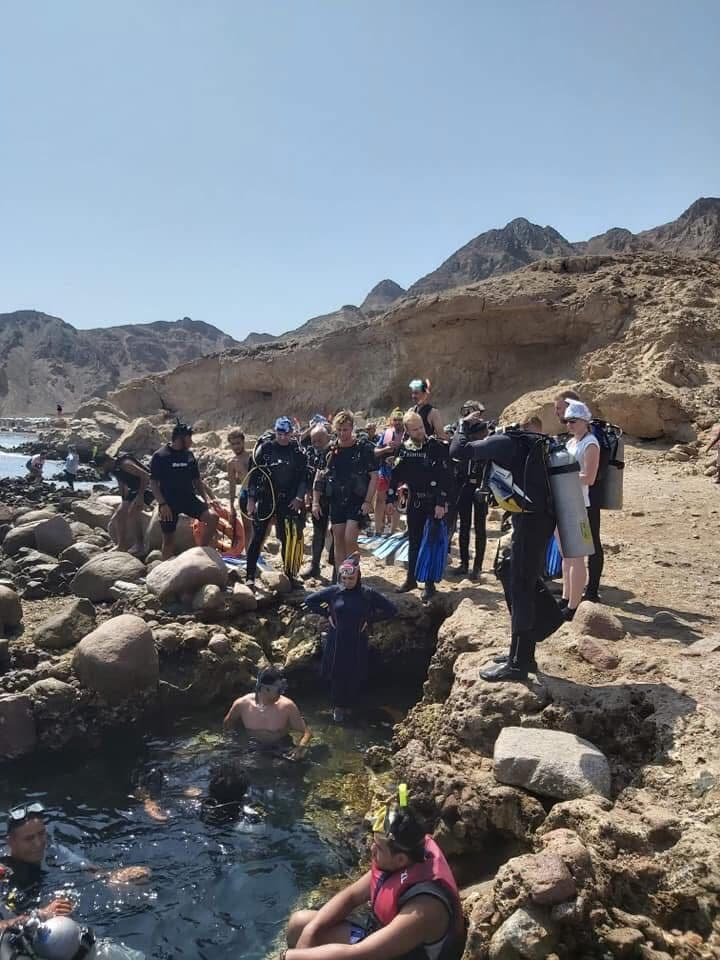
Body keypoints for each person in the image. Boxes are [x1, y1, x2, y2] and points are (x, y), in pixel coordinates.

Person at [284, 791, 464, 960]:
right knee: (300, 925)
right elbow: (351, 897)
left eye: (378, 848)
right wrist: (311, 931)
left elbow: (360, 954)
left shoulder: (424, 907)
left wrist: (289, 957)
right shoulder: (405, 855)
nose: (371, 849)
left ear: (400, 859)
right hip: (377, 939)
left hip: (390, 953)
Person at [451, 412, 555, 681]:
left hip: (531, 522)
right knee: (511, 574)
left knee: (521, 586)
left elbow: (459, 450)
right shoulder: (531, 443)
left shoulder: (506, 442)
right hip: (536, 518)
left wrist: (463, 426)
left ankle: (519, 664)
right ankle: (521, 653)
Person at [1, 802, 150, 928]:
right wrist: (41, 915)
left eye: (41, 834)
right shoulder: (4, 872)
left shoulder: (51, 847)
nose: (38, 843)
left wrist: (112, 876)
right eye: (29, 839)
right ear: (10, 842)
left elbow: (84, 866)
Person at [304, 553, 397, 722]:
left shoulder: (367, 594)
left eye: (351, 579)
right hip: (336, 640)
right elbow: (310, 600)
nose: (347, 582)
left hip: (357, 641)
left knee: (355, 673)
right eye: (344, 579)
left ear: (358, 576)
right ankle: (337, 707)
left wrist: (369, 620)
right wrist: (327, 614)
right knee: (336, 673)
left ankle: (352, 707)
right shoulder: (334, 591)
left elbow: (391, 610)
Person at [390, 412, 454, 601]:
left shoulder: (437, 447)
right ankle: (411, 579)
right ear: (407, 430)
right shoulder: (404, 449)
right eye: (415, 429)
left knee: (431, 542)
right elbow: (396, 474)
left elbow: (446, 477)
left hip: (434, 502)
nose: (419, 431)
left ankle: (429, 584)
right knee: (414, 541)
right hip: (415, 501)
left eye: (421, 427)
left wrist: (441, 502)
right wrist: (390, 498)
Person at [245, 417, 308, 588]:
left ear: (291, 433)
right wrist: (251, 500)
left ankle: (290, 574)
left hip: (288, 501)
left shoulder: (296, 451)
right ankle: (249, 575)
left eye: (286, 434)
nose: (282, 438)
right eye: (279, 434)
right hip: (266, 498)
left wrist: (299, 498)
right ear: (275, 432)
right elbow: (253, 476)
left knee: (288, 538)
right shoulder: (265, 449)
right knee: (258, 536)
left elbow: (304, 478)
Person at [314, 412, 378, 578]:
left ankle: (354, 574)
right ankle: (342, 578)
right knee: (338, 539)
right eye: (340, 430)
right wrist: (315, 502)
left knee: (350, 537)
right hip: (336, 499)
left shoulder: (364, 448)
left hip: (357, 499)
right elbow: (319, 476)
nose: (343, 433)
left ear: (352, 429)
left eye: (346, 430)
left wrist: (368, 501)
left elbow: (374, 476)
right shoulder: (330, 450)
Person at [554, 391, 604, 601]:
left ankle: (574, 603)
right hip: (565, 501)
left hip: (579, 504)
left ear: (584, 421)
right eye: (567, 421)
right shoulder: (571, 442)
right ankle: (566, 598)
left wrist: (564, 477)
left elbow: (589, 477)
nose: (569, 424)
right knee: (566, 556)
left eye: (573, 421)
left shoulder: (590, 443)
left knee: (576, 558)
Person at [149, 421, 218, 561]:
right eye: (189, 438)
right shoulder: (160, 455)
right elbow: (153, 483)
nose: (192, 442)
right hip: (169, 503)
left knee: (213, 517)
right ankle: (164, 570)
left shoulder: (189, 455)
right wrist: (162, 504)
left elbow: (197, 480)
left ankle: (200, 552)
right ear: (180, 438)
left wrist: (206, 500)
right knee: (168, 541)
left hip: (188, 499)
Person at [223, 667, 312, 760]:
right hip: (251, 747)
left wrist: (300, 748)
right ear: (265, 688)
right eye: (279, 689)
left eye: (283, 687)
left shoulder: (287, 706)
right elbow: (227, 724)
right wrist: (232, 742)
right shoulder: (242, 704)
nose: (282, 692)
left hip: (279, 748)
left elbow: (307, 732)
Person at [447, 403, 488, 580]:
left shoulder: (486, 431)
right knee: (464, 525)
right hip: (464, 484)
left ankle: (477, 566)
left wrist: (486, 486)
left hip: (480, 484)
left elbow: (489, 463)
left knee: (480, 527)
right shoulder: (461, 430)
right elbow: (455, 451)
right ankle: (464, 563)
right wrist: (463, 425)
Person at [95, 451, 153, 555]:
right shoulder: (114, 469)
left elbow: (146, 476)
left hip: (148, 488)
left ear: (107, 461)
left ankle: (139, 545)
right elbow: (122, 484)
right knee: (118, 516)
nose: (102, 469)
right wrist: (124, 502)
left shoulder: (125, 464)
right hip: (134, 490)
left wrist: (140, 497)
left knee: (132, 513)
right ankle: (121, 545)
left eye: (102, 466)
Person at [302, 424, 333, 580]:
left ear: (328, 437)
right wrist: (309, 495)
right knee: (318, 532)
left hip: (335, 497)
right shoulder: (312, 454)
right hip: (318, 498)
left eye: (319, 440)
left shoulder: (335, 451)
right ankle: (315, 566)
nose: (316, 444)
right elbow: (309, 475)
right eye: (313, 441)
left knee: (336, 532)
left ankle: (336, 567)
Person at [373, 410, 404, 537]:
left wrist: (399, 446)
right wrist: (386, 449)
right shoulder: (386, 433)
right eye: (395, 420)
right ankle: (378, 529)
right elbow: (375, 451)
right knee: (380, 500)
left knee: (397, 501)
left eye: (399, 420)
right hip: (384, 472)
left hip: (401, 473)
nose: (397, 422)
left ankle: (392, 530)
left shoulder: (407, 435)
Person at [227, 429, 253, 554]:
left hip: (257, 495)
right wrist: (231, 506)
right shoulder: (231, 463)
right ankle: (250, 557)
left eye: (238, 443)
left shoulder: (252, 456)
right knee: (247, 528)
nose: (236, 446)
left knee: (259, 528)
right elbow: (232, 486)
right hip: (244, 495)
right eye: (233, 444)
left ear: (243, 442)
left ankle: (257, 553)